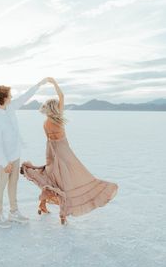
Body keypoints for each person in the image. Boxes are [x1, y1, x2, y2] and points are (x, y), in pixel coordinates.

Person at [21, 77, 118, 225]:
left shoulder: (46, 123)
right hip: (65, 153)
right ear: (56, 108)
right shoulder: (58, 119)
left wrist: (50, 159)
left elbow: (49, 141)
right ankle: (62, 213)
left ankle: (43, 204)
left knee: (53, 181)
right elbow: (62, 96)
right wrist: (54, 83)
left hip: (52, 152)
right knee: (68, 182)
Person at [0, 78, 48, 228]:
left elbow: (25, 97)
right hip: (4, 158)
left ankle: (13, 212)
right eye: (10, 95)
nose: (12, 97)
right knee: (1, 184)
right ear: (4, 98)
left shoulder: (10, 107)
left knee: (13, 183)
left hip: (15, 154)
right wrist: (4, 162)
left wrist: (39, 84)